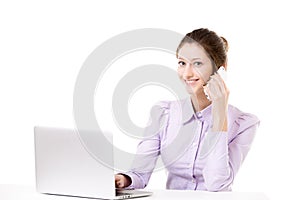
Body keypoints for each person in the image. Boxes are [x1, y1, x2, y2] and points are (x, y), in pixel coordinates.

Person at [115, 28, 260, 191]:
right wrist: (124, 180)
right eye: (182, 63)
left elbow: (217, 185)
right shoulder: (163, 113)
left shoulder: (244, 124)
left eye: (197, 63)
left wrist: (219, 113)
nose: (186, 74)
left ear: (221, 68)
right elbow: (139, 174)